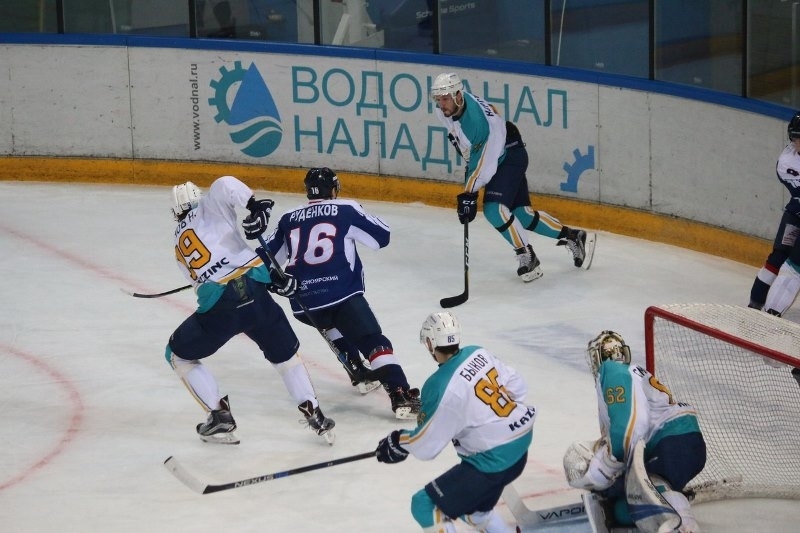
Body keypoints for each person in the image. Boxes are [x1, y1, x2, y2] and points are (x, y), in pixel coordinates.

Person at [165, 175, 334, 445]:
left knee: (177, 355)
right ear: (199, 199)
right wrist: (254, 205)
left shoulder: (177, 244)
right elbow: (224, 184)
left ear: (176, 212)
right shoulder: (210, 205)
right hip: (255, 292)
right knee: (285, 358)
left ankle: (219, 415)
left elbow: (202, 283)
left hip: (221, 307)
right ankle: (314, 413)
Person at [261, 167, 421, 419]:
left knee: (333, 324)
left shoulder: (288, 217)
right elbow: (382, 237)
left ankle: (357, 371)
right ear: (333, 189)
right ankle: (399, 393)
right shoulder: (345, 208)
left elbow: (262, 262)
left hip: (304, 302)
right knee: (373, 341)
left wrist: (275, 282)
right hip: (340, 293)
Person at [375, 311, 535, 532]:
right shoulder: (478, 352)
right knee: (476, 513)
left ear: (430, 343)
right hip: (521, 446)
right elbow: (518, 387)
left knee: (424, 505)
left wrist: (398, 442)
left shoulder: (438, 385)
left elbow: (427, 445)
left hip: (492, 462)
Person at [430, 72, 596, 282]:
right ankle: (574, 236)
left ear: (458, 96)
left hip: (508, 155)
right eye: (438, 99)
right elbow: (464, 139)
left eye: (445, 98)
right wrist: (469, 170)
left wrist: (469, 193)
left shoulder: (479, 124)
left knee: (494, 210)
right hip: (501, 151)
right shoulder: (448, 108)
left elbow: (486, 164)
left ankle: (527, 255)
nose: (441, 104)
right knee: (522, 215)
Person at [563, 331, 706, 533]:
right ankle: (673, 510)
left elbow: (630, 427)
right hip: (682, 442)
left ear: (599, 356)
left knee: (647, 491)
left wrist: (606, 465)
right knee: (623, 510)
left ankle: (682, 526)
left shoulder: (613, 371)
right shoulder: (631, 373)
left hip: (672, 442)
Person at [748, 111, 800, 313]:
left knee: (795, 265)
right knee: (778, 257)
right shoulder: (787, 162)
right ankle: (754, 306)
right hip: (796, 212)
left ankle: (770, 316)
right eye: (796, 138)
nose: (798, 143)